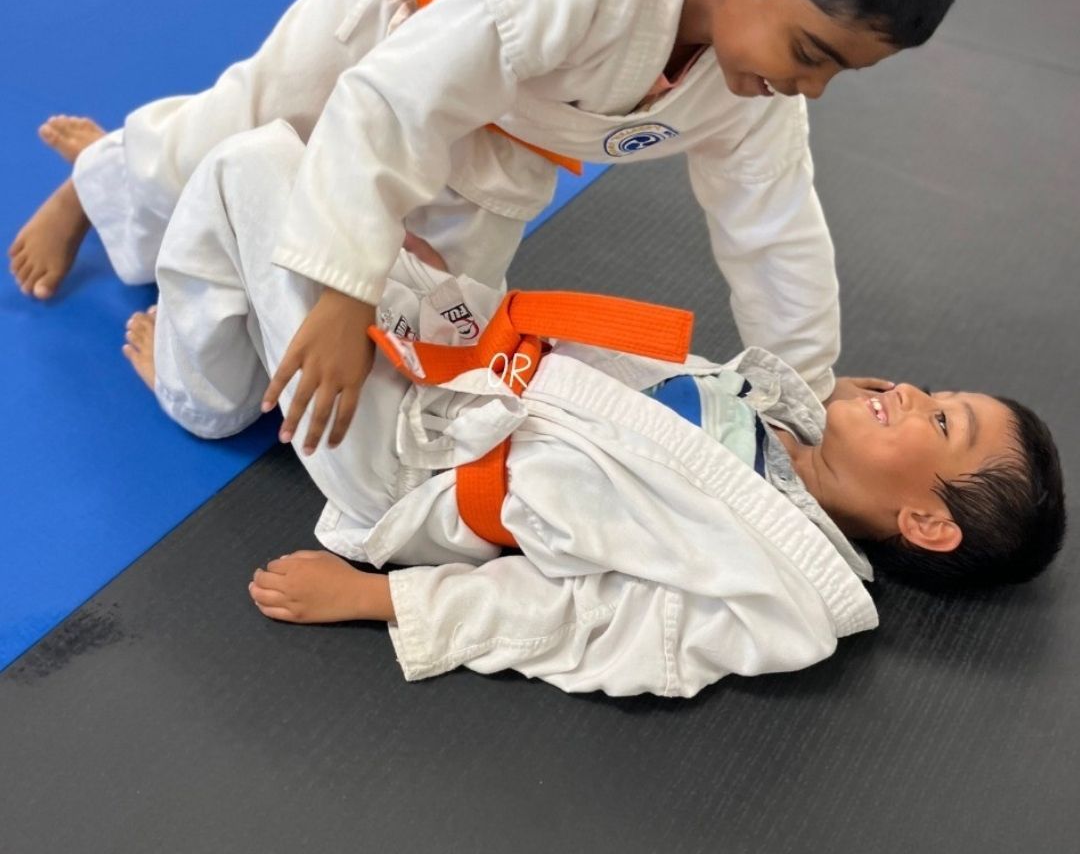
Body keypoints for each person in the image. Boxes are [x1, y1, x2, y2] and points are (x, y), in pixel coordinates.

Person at [10, 0, 960, 462]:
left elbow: (774, 229)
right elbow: (391, 104)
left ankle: (253, 279)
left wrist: (801, 391)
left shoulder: (756, 81)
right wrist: (340, 290)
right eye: (812, 55)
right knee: (225, 135)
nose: (815, 91)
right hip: (397, 28)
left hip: (514, 142)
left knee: (428, 337)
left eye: (843, 73)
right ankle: (96, 187)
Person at [122, 123, 1065, 697]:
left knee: (255, 167)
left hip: (419, 471)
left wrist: (381, 600)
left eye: (942, 424)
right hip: (468, 368)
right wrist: (447, 308)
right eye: (938, 393)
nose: (914, 393)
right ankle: (139, 206)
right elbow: (594, 380)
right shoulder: (774, 419)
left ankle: (202, 391)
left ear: (928, 524)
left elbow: (589, 625)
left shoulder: (783, 593)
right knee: (327, 174)